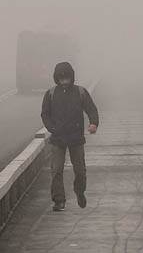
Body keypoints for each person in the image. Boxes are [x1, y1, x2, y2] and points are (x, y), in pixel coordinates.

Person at [40, 61, 99, 211]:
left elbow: (91, 110)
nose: (64, 81)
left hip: (76, 138)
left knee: (80, 170)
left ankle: (79, 191)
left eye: (66, 78)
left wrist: (94, 123)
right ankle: (59, 201)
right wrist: (52, 128)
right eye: (61, 79)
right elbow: (45, 114)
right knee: (56, 170)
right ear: (57, 79)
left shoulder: (81, 92)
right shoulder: (51, 94)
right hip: (58, 138)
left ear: (71, 77)